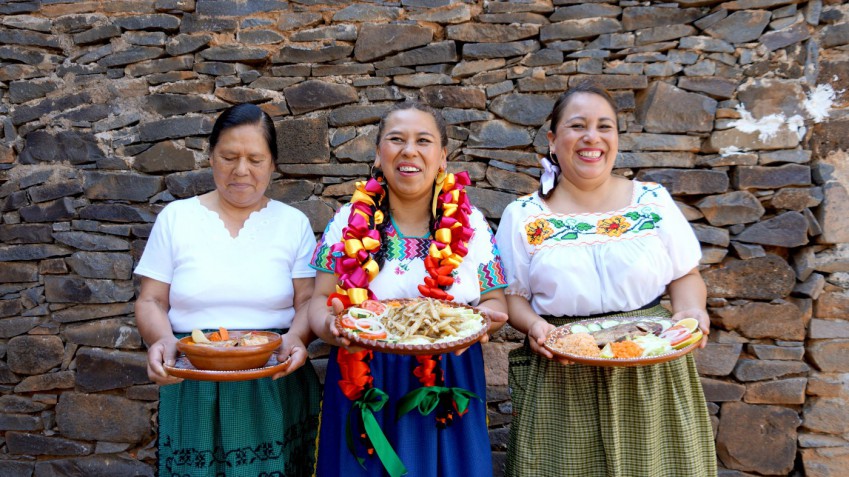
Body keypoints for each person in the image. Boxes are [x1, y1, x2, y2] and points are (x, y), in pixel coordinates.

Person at [496, 83, 717, 477]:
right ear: (553, 139)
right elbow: (513, 295)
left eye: (604, 127)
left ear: (616, 137)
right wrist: (533, 326)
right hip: (563, 373)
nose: (591, 138)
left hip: (651, 363)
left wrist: (691, 311)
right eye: (577, 126)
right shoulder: (524, 216)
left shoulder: (652, 202)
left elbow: (685, 274)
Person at [308, 100, 509, 477]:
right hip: (364, 371)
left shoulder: (472, 224)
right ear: (378, 154)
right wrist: (329, 328)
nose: (409, 150)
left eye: (423, 140)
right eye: (396, 139)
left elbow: (496, 300)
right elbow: (319, 299)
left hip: (449, 372)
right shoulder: (347, 221)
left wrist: (483, 323)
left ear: (443, 156)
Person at [134, 103, 321, 477]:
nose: (241, 170)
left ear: (272, 163)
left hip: (272, 376)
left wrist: (297, 338)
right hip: (194, 377)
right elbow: (152, 299)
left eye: (255, 158)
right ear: (211, 157)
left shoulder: (292, 223)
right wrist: (162, 340)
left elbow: (307, 301)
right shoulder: (177, 218)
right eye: (229, 156)